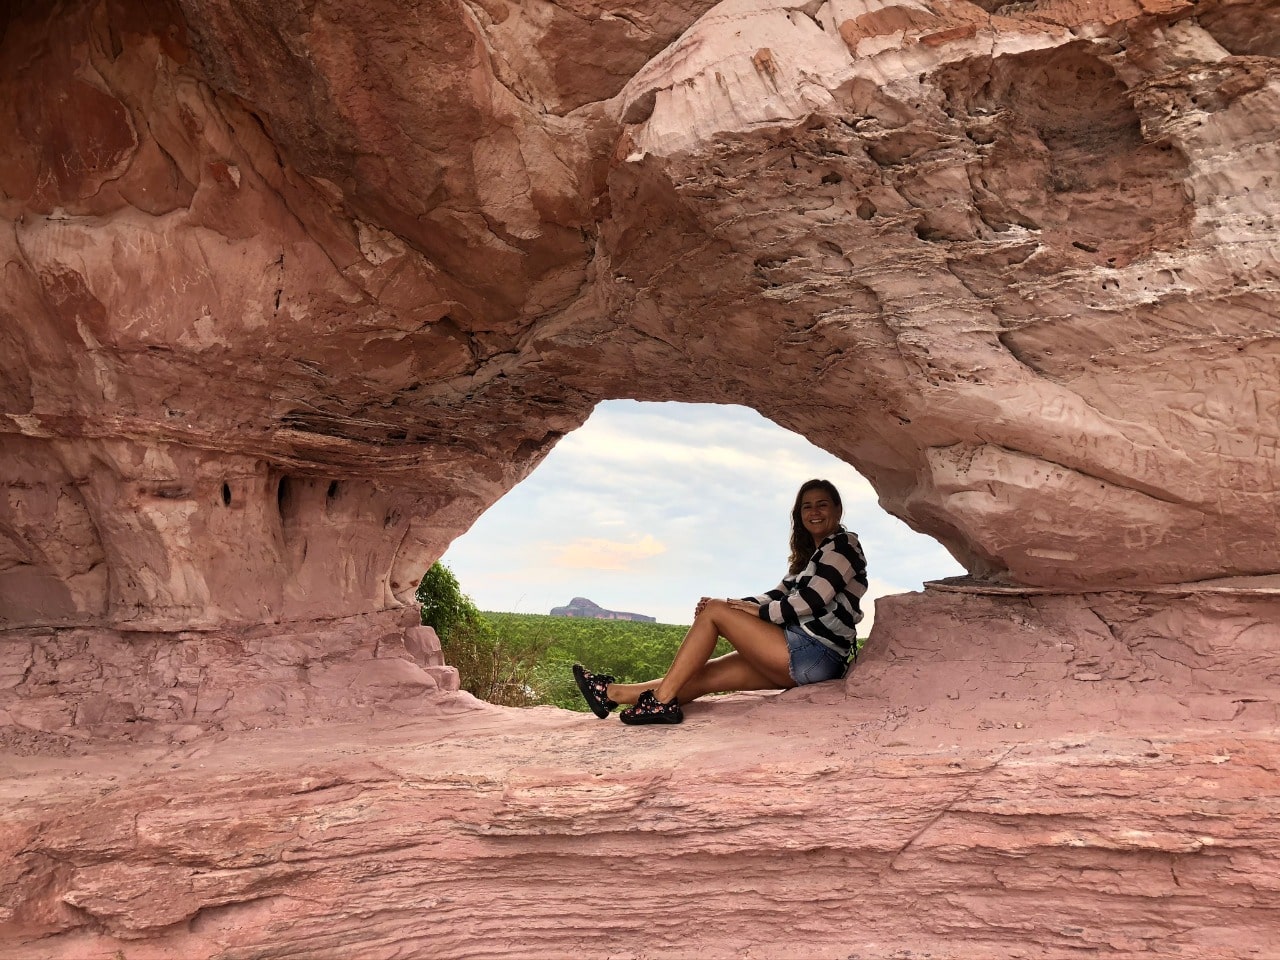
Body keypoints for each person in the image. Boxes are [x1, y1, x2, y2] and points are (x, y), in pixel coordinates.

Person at [573, 478, 868, 725]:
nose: (814, 512)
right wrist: (733, 605)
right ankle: (610, 693)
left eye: (822, 504)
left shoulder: (843, 545)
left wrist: (733, 612)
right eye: (807, 506)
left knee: (714, 612)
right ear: (799, 514)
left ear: (838, 510)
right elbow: (777, 594)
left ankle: (661, 703)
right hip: (807, 658)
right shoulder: (811, 558)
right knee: (703, 674)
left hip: (815, 653)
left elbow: (813, 600)